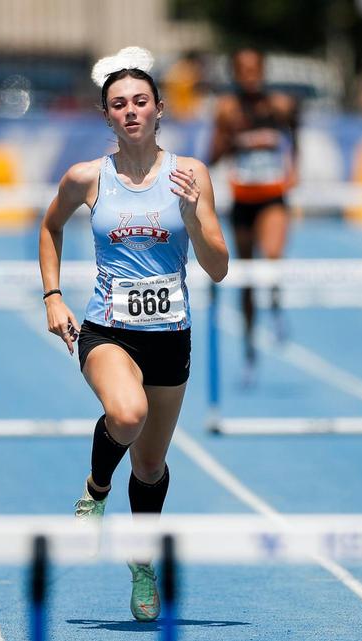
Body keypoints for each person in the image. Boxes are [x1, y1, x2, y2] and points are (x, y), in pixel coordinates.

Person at [39, 46, 228, 622]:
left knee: (149, 468)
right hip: (107, 329)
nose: (130, 111)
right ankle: (94, 494)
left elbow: (218, 266)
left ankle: (141, 563)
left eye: (140, 101)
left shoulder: (191, 175)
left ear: (159, 109)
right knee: (125, 413)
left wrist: (194, 217)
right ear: (107, 116)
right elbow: (49, 228)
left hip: (171, 334)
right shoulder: (86, 177)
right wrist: (53, 296)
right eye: (118, 104)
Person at [208, 48, 298, 381]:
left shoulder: (280, 105)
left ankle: (275, 304)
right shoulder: (227, 110)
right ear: (235, 73)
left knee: (272, 257)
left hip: (274, 196)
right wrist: (232, 138)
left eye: (254, 69)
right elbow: (212, 155)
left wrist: (294, 169)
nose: (249, 75)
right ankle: (249, 346)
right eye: (242, 70)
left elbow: (295, 134)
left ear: (263, 70)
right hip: (243, 200)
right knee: (246, 279)